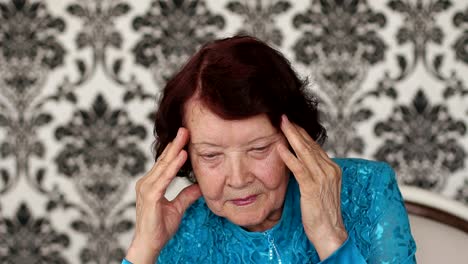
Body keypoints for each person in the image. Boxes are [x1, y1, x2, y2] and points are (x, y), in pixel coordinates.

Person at [122, 36, 416, 263]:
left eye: (259, 149)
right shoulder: (179, 229)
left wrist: (330, 237)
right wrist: (143, 250)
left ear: (294, 138)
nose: (237, 179)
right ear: (184, 157)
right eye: (211, 155)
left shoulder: (368, 189)